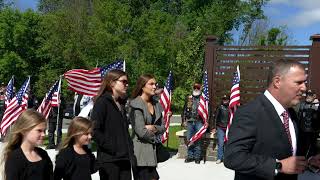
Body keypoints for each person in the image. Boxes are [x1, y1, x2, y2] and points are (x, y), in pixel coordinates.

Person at [224, 59, 309, 180]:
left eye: (304, 82)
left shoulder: (291, 113)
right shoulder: (250, 112)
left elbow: (291, 151)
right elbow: (233, 157)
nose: (304, 88)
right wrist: (277, 166)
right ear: (277, 81)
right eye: (299, 82)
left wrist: (309, 160)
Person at [90, 69, 133, 180]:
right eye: (123, 81)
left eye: (127, 82)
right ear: (112, 83)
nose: (127, 85)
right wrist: (113, 147)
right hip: (109, 160)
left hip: (124, 158)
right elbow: (94, 130)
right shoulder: (102, 102)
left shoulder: (121, 103)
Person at [130, 74, 166, 180]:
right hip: (140, 154)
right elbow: (141, 132)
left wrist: (153, 128)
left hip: (152, 153)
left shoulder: (156, 104)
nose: (155, 87)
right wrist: (155, 133)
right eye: (151, 84)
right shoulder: (135, 105)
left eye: (155, 84)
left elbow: (163, 127)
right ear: (142, 86)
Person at [1, 109, 53, 180]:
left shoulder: (43, 154)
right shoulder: (15, 159)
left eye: (44, 130)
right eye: (39, 130)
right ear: (24, 131)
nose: (44, 134)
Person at [181, 83, 204, 164]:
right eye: (195, 87)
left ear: (200, 88)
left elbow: (207, 111)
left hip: (199, 121)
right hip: (190, 121)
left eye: (198, 87)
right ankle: (190, 156)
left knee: (198, 139)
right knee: (189, 139)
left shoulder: (203, 99)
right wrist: (183, 120)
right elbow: (184, 110)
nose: (196, 89)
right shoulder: (189, 98)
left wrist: (206, 122)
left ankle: (197, 157)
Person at [214, 95, 229, 164]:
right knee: (221, 143)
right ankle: (219, 158)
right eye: (224, 99)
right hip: (220, 127)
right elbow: (216, 118)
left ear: (228, 100)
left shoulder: (231, 107)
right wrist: (215, 127)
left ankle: (226, 158)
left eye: (226, 99)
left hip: (228, 128)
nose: (225, 100)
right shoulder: (219, 107)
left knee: (227, 144)